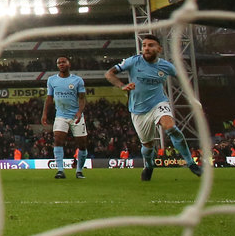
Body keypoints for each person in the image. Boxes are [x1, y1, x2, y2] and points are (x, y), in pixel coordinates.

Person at [105, 34, 203, 181]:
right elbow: (109, 73)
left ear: (159, 49)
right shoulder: (133, 61)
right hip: (138, 110)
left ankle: (191, 163)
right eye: (144, 45)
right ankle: (149, 165)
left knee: (170, 127)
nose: (146, 48)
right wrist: (122, 85)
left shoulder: (166, 66)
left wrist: (191, 98)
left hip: (159, 103)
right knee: (148, 145)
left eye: (151, 45)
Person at [41, 56, 88, 179]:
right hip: (61, 115)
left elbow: (82, 98)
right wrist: (44, 114)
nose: (61, 64)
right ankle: (60, 170)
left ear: (69, 64)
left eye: (63, 62)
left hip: (76, 116)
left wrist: (80, 112)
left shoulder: (77, 80)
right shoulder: (52, 80)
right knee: (57, 140)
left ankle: (79, 171)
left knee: (82, 144)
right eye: (59, 63)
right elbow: (49, 99)